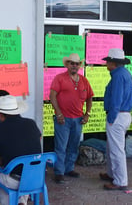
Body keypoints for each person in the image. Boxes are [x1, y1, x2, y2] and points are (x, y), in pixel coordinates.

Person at [0, 95, 41, 205]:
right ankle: (21, 201)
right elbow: (38, 139)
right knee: (23, 169)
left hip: (14, 179)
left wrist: (5, 158)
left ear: (0, 115)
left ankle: (7, 202)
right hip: (36, 176)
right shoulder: (31, 123)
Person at [49, 53, 94, 184]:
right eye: (72, 63)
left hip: (78, 119)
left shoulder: (84, 80)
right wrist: (58, 113)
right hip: (63, 119)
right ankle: (59, 172)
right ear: (67, 65)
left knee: (74, 146)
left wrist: (87, 114)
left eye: (77, 64)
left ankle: (69, 169)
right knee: (61, 147)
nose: (74, 66)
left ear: (79, 66)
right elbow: (52, 96)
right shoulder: (59, 78)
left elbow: (90, 97)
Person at [99, 48, 132, 190]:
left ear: (113, 63)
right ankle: (112, 173)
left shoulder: (118, 76)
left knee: (116, 150)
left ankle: (120, 181)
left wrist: (112, 117)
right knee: (112, 147)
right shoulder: (123, 73)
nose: (106, 64)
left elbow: (116, 99)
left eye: (108, 61)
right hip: (122, 114)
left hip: (118, 115)